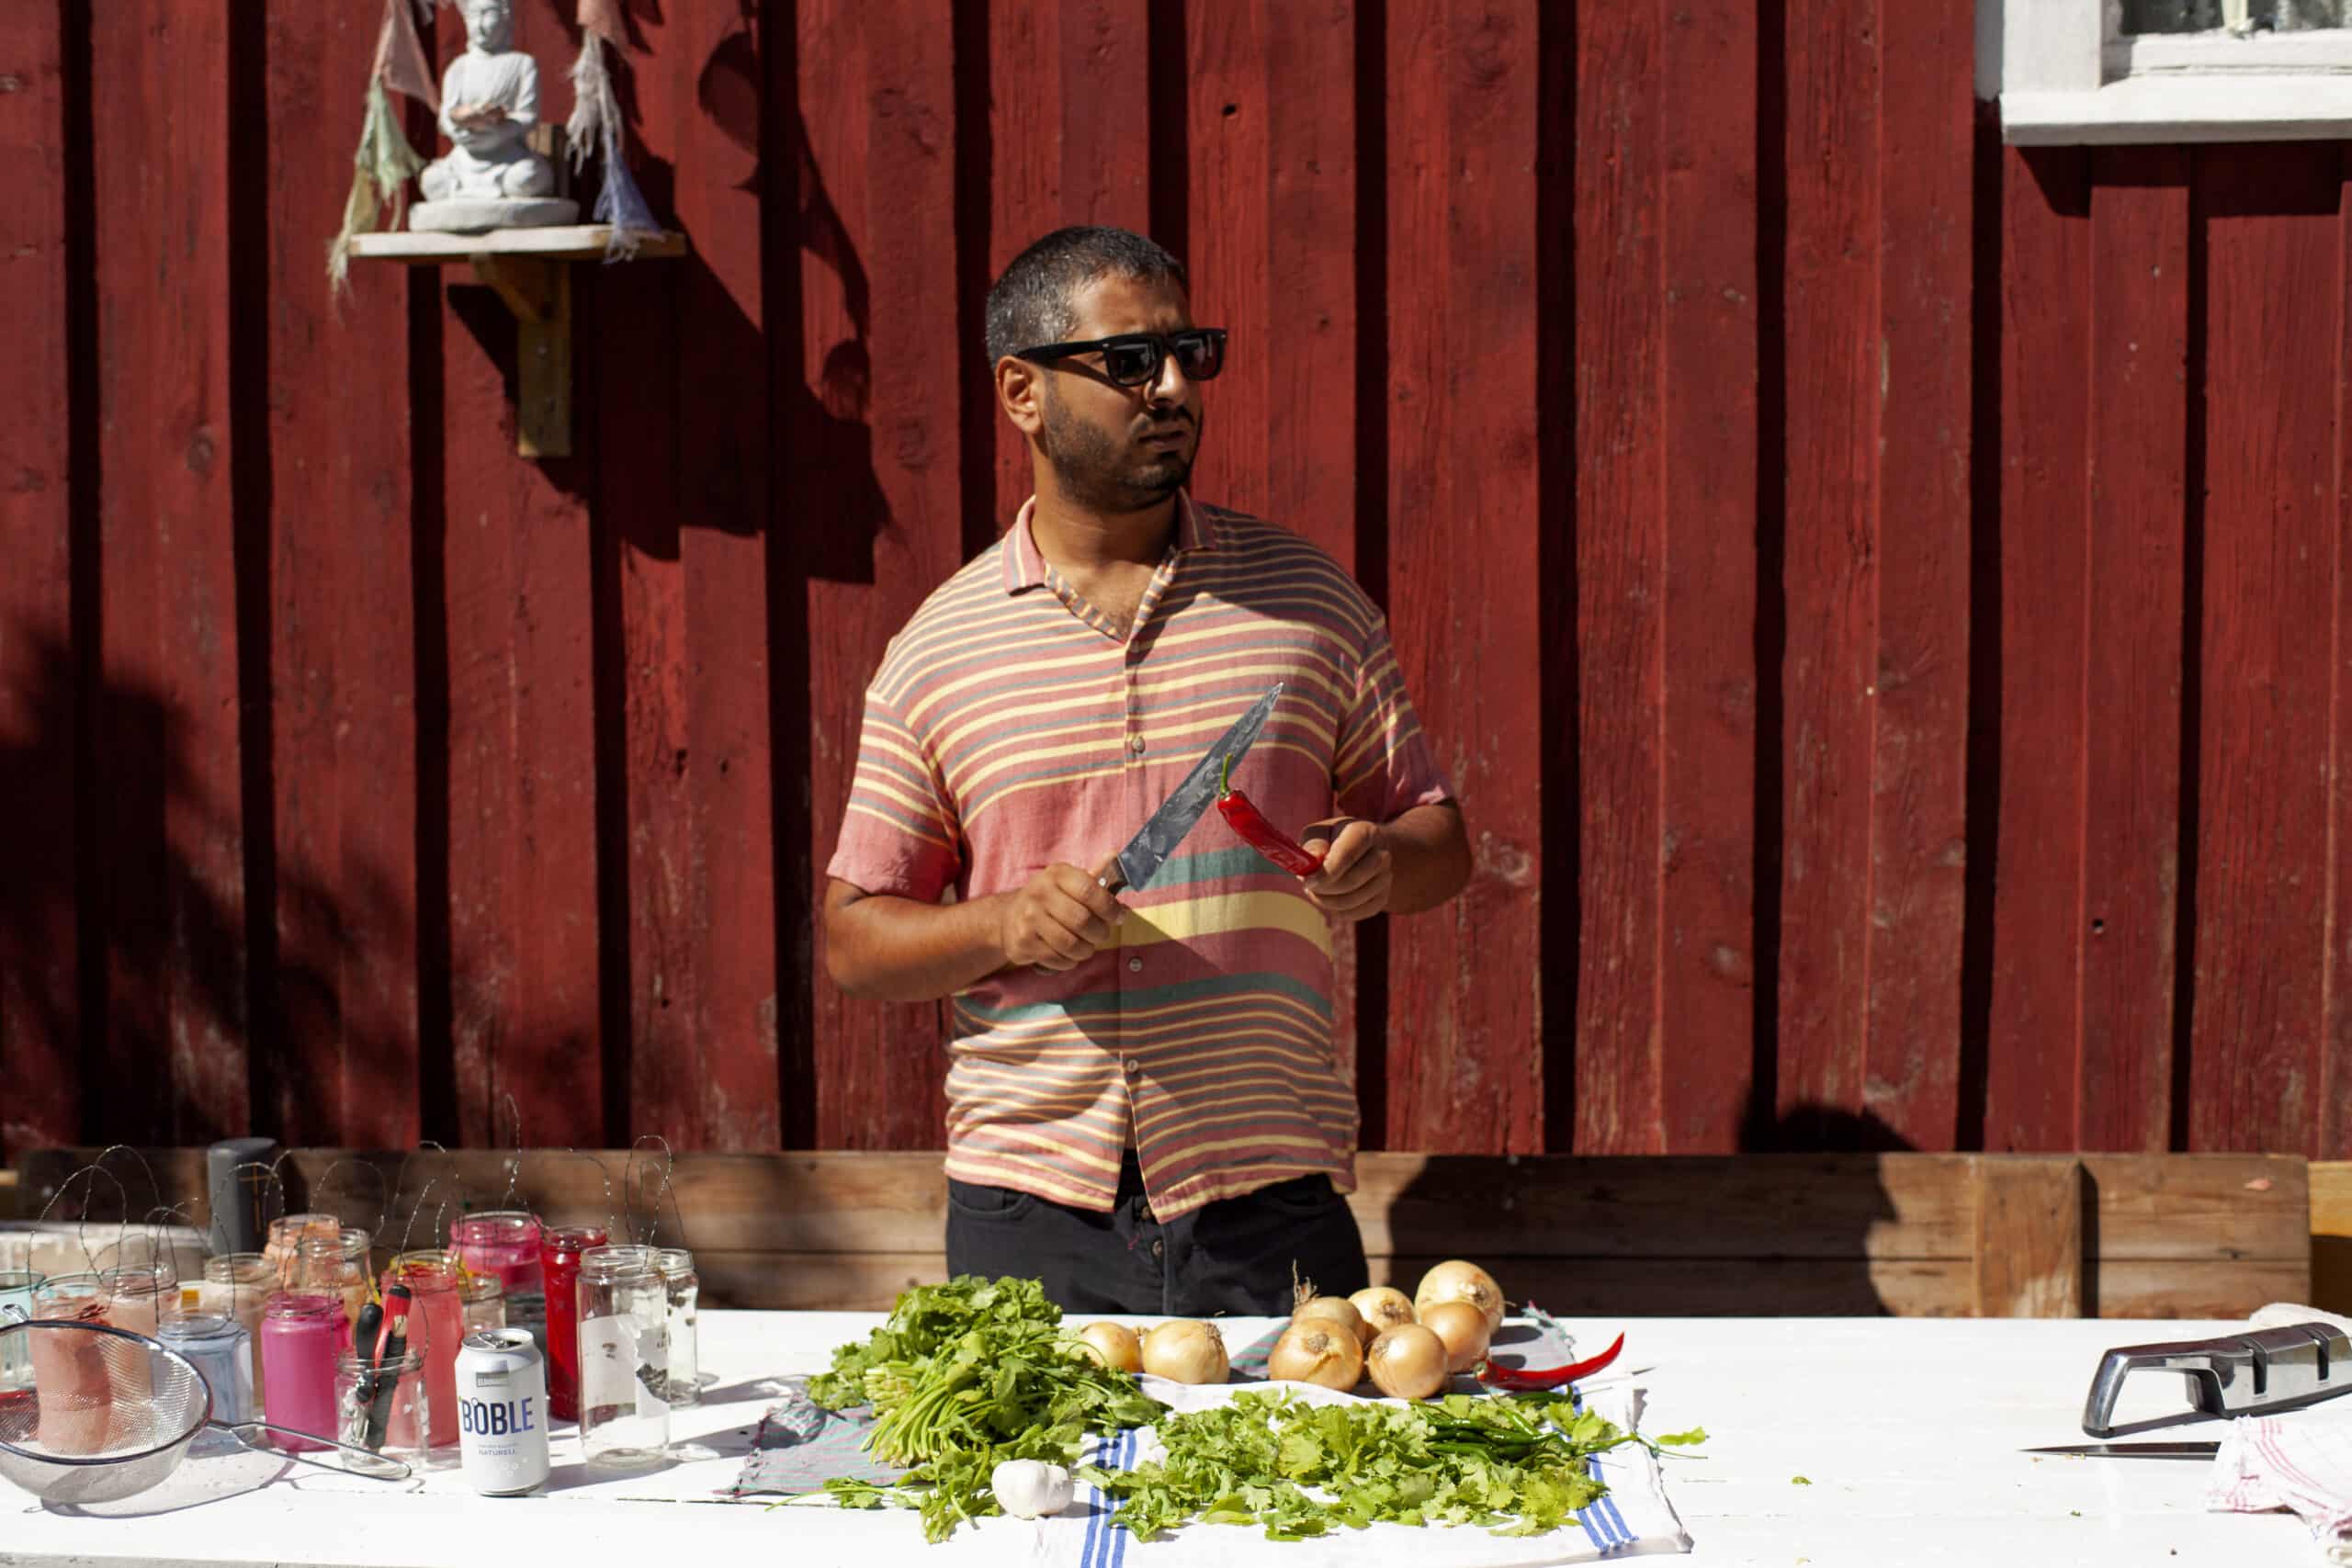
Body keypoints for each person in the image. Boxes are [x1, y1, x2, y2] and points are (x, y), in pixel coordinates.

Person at [822, 226, 1472, 1315]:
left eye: (1189, 354)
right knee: (1040, 1492)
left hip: (1270, 1195)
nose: (1172, 387)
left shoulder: (1308, 605)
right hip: (1028, 1208)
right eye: (1129, 361)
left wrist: (1380, 865)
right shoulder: (938, 652)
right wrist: (1000, 926)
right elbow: (853, 938)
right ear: (1022, 393)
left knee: (1296, 1489)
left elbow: (1438, 838)